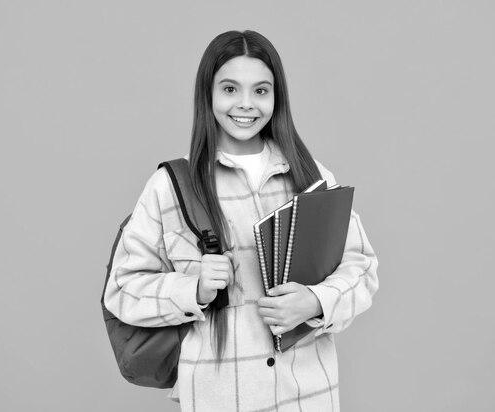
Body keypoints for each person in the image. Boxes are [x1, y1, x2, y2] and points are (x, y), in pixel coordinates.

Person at [103, 30, 379, 412]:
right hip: (221, 399)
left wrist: (315, 302)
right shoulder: (170, 187)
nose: (246, 105)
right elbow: (121, 290)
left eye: (261, 91)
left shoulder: (312, 177)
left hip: (309, 397)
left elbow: (361, 268)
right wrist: (193, 289)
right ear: (208, 94)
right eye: (230, 89)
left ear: (276, 97)